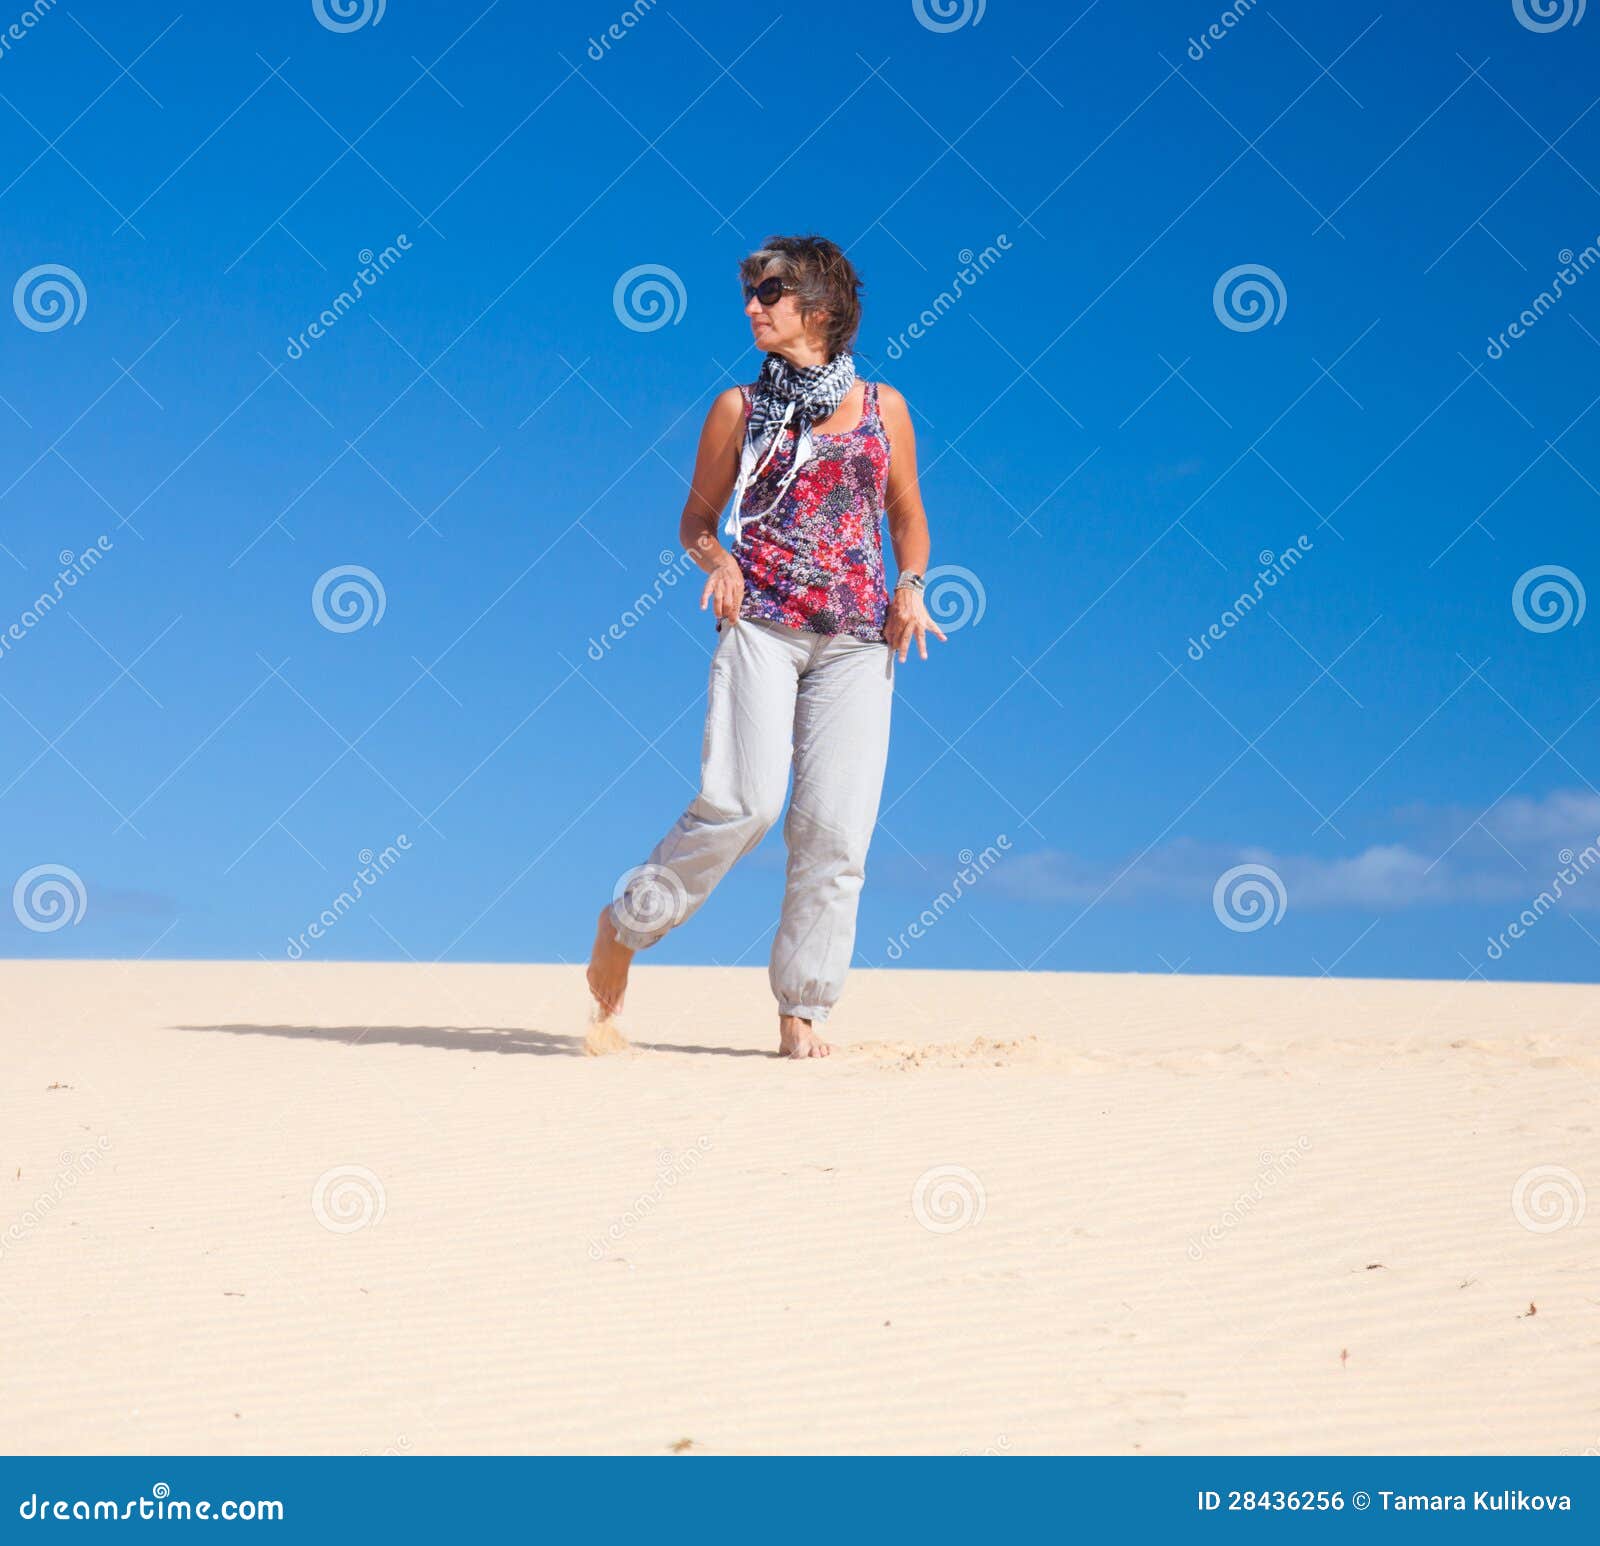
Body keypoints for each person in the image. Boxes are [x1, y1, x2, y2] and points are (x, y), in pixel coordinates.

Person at [587, 234, 945, 1058]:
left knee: (835, 830)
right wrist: (719, 565)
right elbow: (695, 524)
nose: (753, 306)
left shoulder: (886, 406)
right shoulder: (738, 410)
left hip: (858, 641)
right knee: (744, 805)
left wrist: (912, 586)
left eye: (771, 292)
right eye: (750, 292)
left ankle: (803, 1010)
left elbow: (908, 517)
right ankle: (626, 922)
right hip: (762, 627)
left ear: (819, 307)